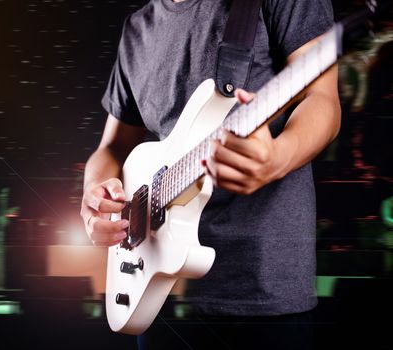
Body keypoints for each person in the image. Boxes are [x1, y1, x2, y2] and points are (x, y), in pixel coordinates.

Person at [81, 0, 341, 349]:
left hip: (262, 290)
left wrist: (277, 157)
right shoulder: (137, 29)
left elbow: (322, 98)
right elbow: (111, 148)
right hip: (157, 291)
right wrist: (95, 195)